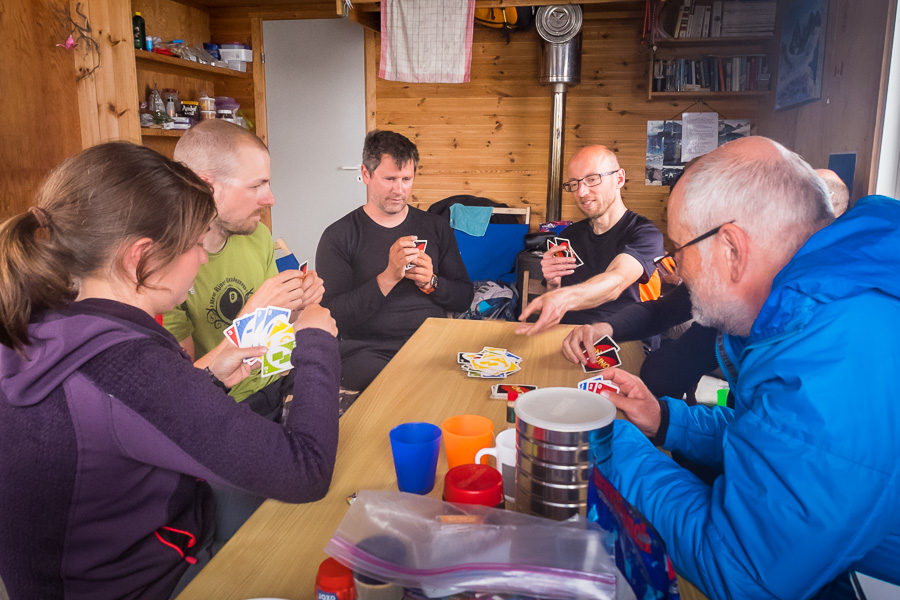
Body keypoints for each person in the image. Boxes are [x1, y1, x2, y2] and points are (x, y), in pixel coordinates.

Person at [0, 142, 340, 599]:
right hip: (146, 581)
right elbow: (306, 471)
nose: (202, 259)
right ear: (140, 258)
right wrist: (316, 341)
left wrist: (211, 375)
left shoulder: (45, 322)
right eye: (197, 245)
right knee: (322, 534)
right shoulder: (128, 365)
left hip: (94, 560)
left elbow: (116, 424)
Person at [599, 136, 900, 598]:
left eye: (677, 250)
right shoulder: (826, 308)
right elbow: (775, 441)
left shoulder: (832, 359)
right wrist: (666, 419)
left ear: (732, 249)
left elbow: (742, 571)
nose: (673, 269)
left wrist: (605, 443)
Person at [164, 120, 325, 421]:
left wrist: (296, 306)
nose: (271, 199)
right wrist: (250, 314)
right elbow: (184, 386)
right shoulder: (167, 269)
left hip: (276, 382)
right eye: (256, 185)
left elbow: (274, 329)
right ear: (205, 186)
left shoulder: (259, 235)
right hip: (224, 405)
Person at [316, 130, 473, 391]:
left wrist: (432, 283)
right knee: (399, 386)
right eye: (389, 179)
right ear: (366, 174)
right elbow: (334, 315)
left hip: (430, 343)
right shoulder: (338, 236)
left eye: (406, 179)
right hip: (368, 351)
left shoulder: (435, 226)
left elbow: (464, 297)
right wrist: (388, 277)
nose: (399, 190)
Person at [516, 145, 663, 335]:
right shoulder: (568, 236)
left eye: (592, 179)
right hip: (566, 337)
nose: (581, 192)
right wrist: (553, 284)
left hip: (620, 340)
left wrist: (564, 298)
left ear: (619, 178)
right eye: (574, 184)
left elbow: (616, 281)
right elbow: (553, 302)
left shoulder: (645, 233)